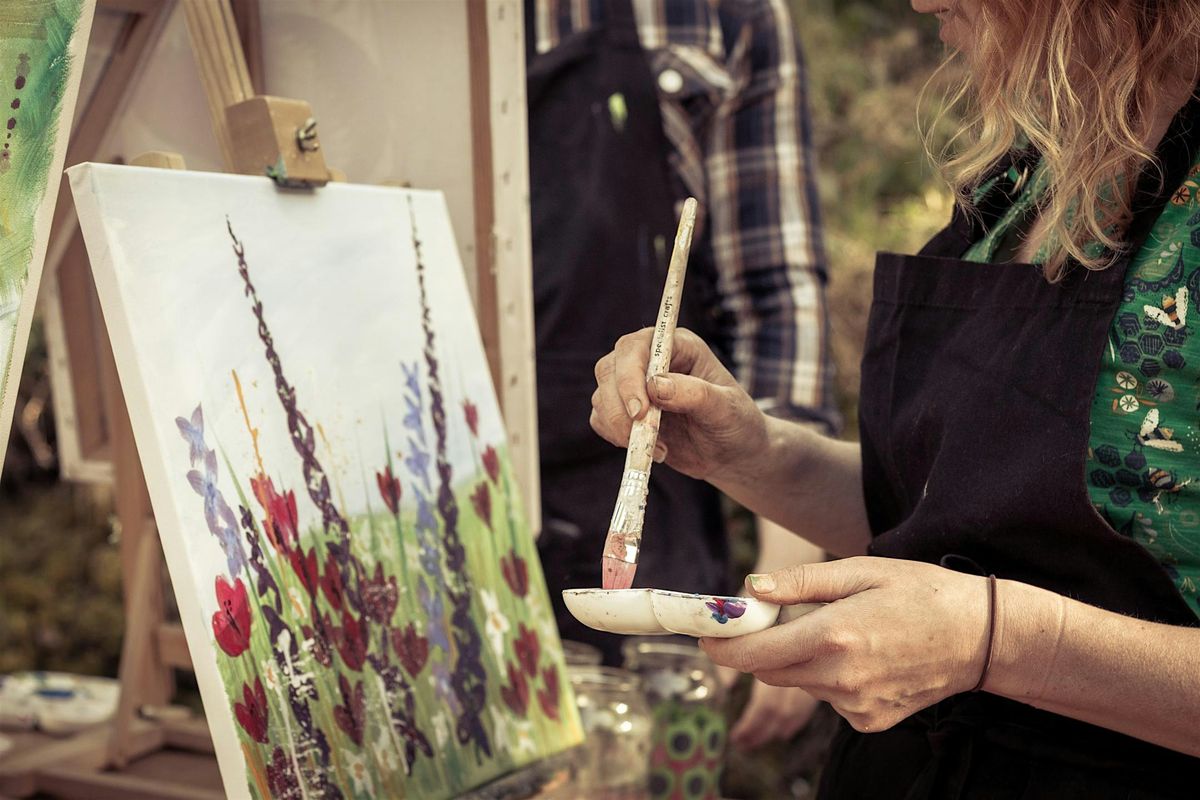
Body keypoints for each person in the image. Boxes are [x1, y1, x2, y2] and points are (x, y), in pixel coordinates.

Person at [590, 0, 1200, 795]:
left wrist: (994, 642)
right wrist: (755, 456)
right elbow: (951, 514)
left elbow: (994, 594)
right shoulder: (1026, 179)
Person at [524, 0, 835, 749]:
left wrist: (785, 579)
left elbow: (774, 293)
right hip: (440, 489)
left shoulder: (724, 17)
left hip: (650, 487)